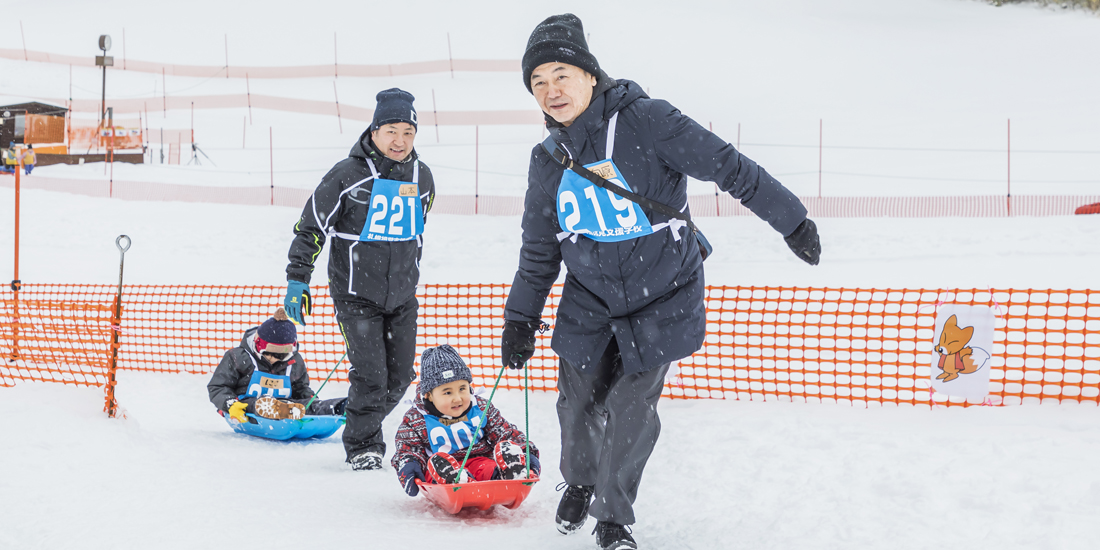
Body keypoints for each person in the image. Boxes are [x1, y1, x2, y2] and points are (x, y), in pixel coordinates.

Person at [501, 14, 822, 550]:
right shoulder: (548, 160)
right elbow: (539, 247)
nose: (550, 91)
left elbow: (727, 166)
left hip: (662, 290)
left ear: (588, 73)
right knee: (575, 400)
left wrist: (791, 219)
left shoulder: (647, 121)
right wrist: (520, 316)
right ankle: (580, 481)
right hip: (590, 297)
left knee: (632, 405)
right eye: (538, 82)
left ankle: (613, 518)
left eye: (560, 74)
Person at [283, 88, 436, 471]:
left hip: (402, 297)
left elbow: (416, 232)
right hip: (355, 296)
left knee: (399, 378)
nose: (400, 141)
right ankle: (363, 445)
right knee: (370, 376)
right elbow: (311, 227)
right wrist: (297, 278)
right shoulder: (346, 175)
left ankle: (357, 419)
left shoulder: (423, 177)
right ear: (374, 130)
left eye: (407, 132)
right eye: (391, 131)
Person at [391, 345, 540, 496]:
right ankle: (453, 479)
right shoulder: (416, 418)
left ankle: (510, 472)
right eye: (447, 392)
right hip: (438, 468)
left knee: (487, 465)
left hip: (479, 462)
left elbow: (504, 431)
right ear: (429, 395)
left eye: (462, 388)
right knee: (434, 467)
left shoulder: (480, 407)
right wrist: (409, 465)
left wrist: (526, 451)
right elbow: (408, 448)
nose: (457, 398)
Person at [207, 308, 347, 422]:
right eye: (269, 354)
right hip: (247, 406)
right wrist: (230, 403)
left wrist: (311, 399)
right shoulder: (237, 357)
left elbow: (300, 387)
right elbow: (218, 386)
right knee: (258, 405)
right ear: (258, 346)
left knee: (307, 406)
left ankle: (341, 408)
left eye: (281, 356)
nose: (274, 359)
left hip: (287, 404)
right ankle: (275, 410)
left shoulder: (295, 362)